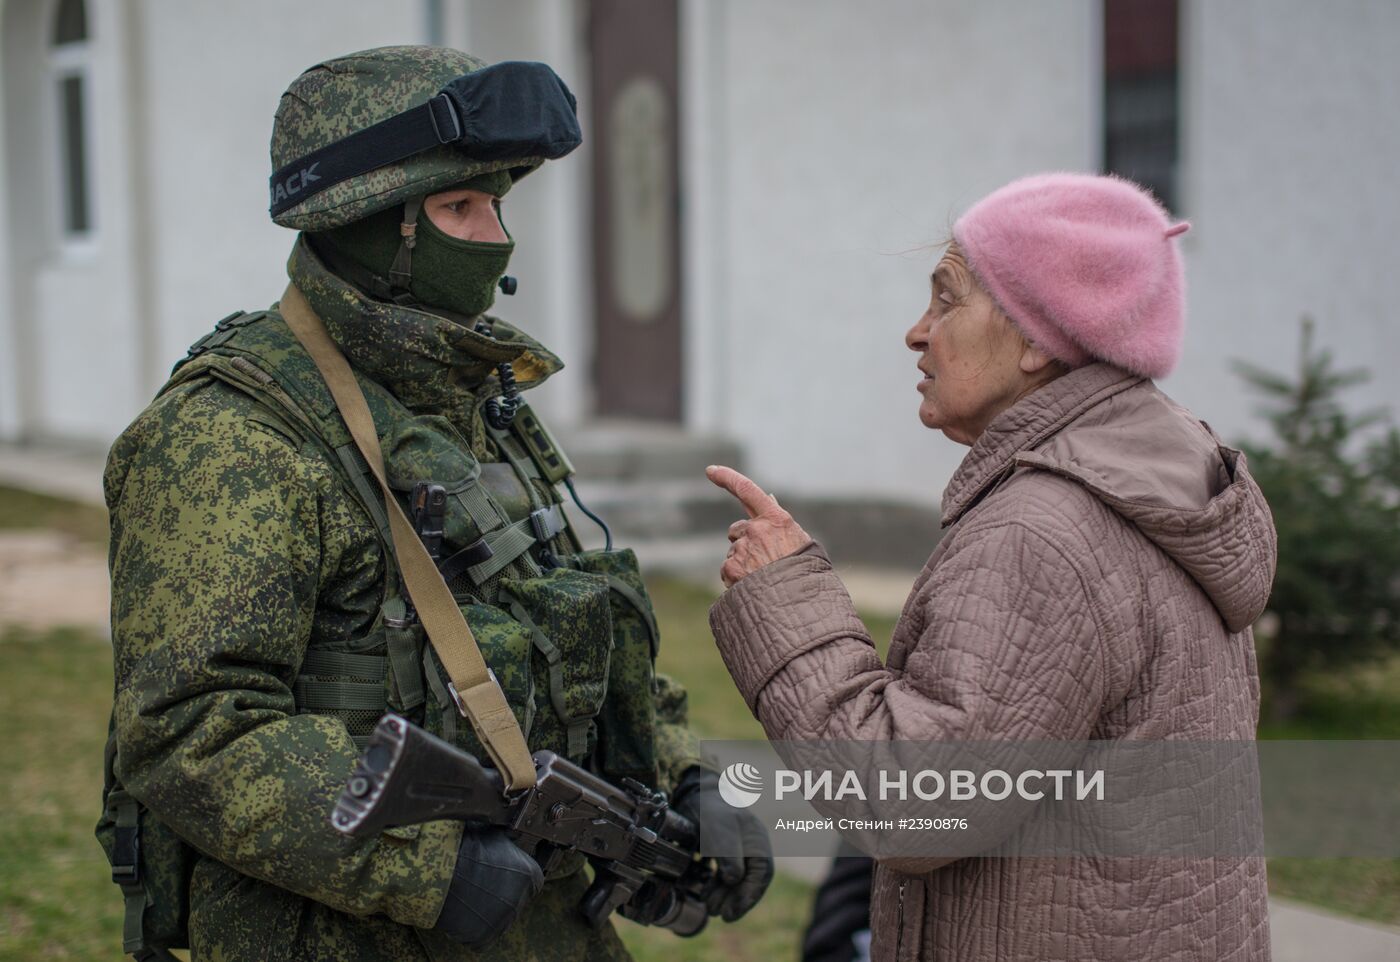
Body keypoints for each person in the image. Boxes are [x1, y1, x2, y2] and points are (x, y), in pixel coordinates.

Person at [98, 46, 770, 962]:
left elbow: (564, 621)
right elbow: (186, 727)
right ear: (373, 224)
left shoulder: (473, 402)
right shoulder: (233, 436)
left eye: (498, 203)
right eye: (460, 207)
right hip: (340, 933)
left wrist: (682, 770)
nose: (495, 236)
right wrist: (423, 863)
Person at [706, 173, 1275, 961]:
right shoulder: (1160, 477)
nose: (916, 332)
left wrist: (784, 602)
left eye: (946, 299)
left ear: (1040, 337)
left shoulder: (1045, 534)